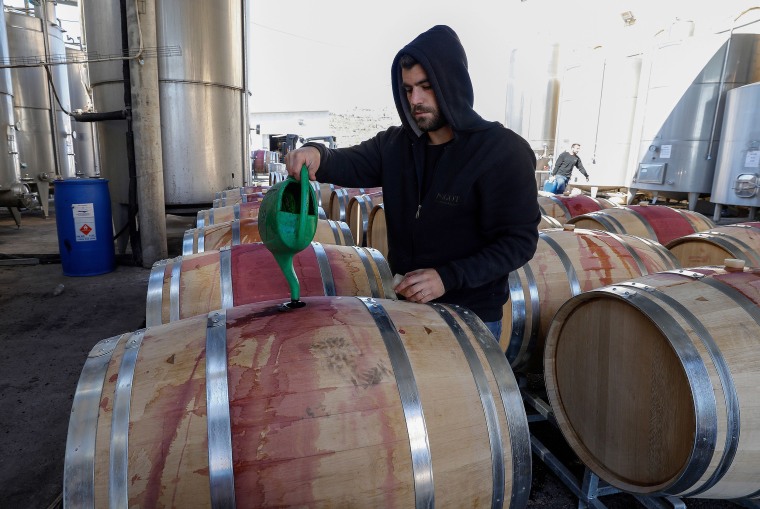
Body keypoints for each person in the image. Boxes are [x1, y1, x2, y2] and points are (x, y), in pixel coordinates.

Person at [284, 25, 540, 339]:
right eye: (407, 89)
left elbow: (518, 242)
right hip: (405, 308)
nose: (415, 100)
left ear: (453, 82)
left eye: (426, 86)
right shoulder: (395, 145)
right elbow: (350, 161)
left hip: (469, 318)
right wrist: (317, 154)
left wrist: (448, 277)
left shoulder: (502, 151)